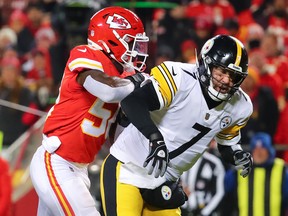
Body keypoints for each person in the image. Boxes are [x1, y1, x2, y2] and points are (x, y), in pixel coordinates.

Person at [100, 34, 253, 216]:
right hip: (128, 166)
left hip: (164, 181)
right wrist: (155, 138)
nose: (226, 80)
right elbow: (132, 101)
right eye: (221, 71)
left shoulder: (241, 106)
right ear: (206, 64)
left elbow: (226, 143)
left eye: (233, 76)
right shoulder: (180, 77)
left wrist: (237, 154)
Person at [29, 6, 149, 216]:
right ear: (110, 38)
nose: (136, 49)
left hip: (79, 168)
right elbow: (107, 91)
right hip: (57, 161)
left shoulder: (123, 75)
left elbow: (116, 136)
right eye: (131, 41)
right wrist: (138, 82)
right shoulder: (86, 54)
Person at [224, 132, 288, 216]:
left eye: (262, 149)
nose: (259, 153)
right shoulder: (239, 170)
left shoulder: (281, 168)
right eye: (256, 149)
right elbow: (227, 198)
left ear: (269, 150)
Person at [180, 140, 226, 216]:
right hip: (182, 210)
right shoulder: (180, 159)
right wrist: (179, 190)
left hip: (204, 210)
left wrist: (204, 213)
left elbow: (219, 192)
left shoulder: (214, 163)